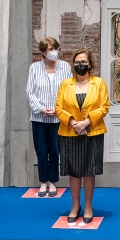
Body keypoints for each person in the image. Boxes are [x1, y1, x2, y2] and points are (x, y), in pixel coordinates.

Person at [55, 49, 110, 224]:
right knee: (74, 172)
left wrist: (86, 123)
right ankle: (75, 205)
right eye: (77, 62)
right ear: (73, 65)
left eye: (83, 62)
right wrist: (73, 123)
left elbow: (104, 106)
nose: (80, 65)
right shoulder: (65, 84)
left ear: (90, 64)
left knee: (89, 171)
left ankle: (88, 206)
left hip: (92, 131)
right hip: (70, 132)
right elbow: (58, 108)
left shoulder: (99, 83)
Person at [26, 37, 72, 197]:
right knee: (41, 150)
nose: (52, 52)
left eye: (54, 48)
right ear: (43, 52)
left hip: (58, 118)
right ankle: (42, 183)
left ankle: (53, 182)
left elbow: (69, 90)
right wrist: (40, 109)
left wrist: (59, 110)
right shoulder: (34, 68)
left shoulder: (65, 67)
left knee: (54, 150)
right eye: (48, 50)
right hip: (39, 118)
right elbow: (30, 92)